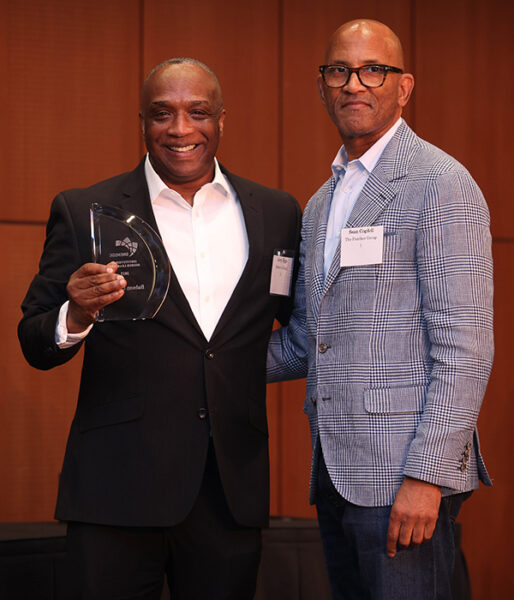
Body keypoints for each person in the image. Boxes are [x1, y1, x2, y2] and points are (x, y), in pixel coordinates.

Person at [18, 58, 301, 600]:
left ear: (221, 120)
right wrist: (75, 315)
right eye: (162, 114)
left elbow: (295, 328)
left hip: (228, 493)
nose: (180, 129)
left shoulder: (277, 212)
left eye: (198, 112)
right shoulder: (85, 212)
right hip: (114, 493)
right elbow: (34, 340)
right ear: (142, 122)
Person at [267, 19, 493, 600]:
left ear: (404, 86)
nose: (353, 84)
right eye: (338, 70)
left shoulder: (441, 183)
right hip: (337, 476)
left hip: (404, 481)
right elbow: (307, 341)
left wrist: (427, 476)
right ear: (322, 86)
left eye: (374, 70)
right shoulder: (322, 202)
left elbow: (464, 349)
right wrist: (203, 353)